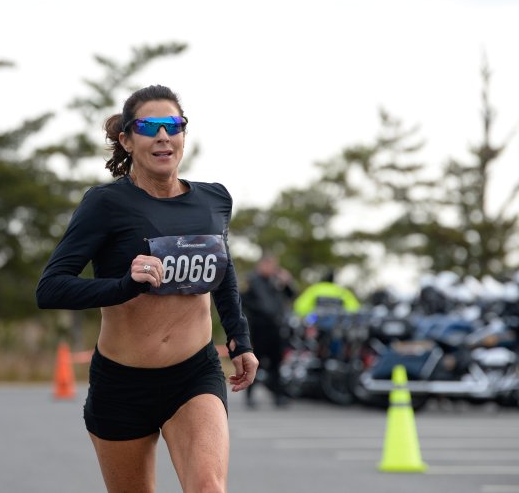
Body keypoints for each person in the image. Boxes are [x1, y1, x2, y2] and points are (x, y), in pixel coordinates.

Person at [36, 85, 258, 493]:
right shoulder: (105, 204)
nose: (162, 135)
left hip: (194, 374)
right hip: (123, 383)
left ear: (183, 135)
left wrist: (239, 340)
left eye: (173, 125)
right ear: (126, 139)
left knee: (209, 487)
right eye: (149, 126)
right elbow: (50, 289)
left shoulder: (214, 200)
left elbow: (222, 273)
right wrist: (124, 286)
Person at [240, 253, 296, 407]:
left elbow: (291, 296)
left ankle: (278, 397)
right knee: (255, 363)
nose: (272, 268)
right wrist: (261, 312)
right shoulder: (252, 280)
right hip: (259, 328)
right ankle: (250, 396)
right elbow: (242, 299)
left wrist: (288, 282)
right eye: (269, 265)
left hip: (276, 328)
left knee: (276, 364)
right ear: (261, 265)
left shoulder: (277, 281)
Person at [293, 269, 360, 318]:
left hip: (316, 325)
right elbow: (354, 309)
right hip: (337, 326)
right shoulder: (342, 291)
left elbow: (300, 307)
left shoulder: (315, 289)